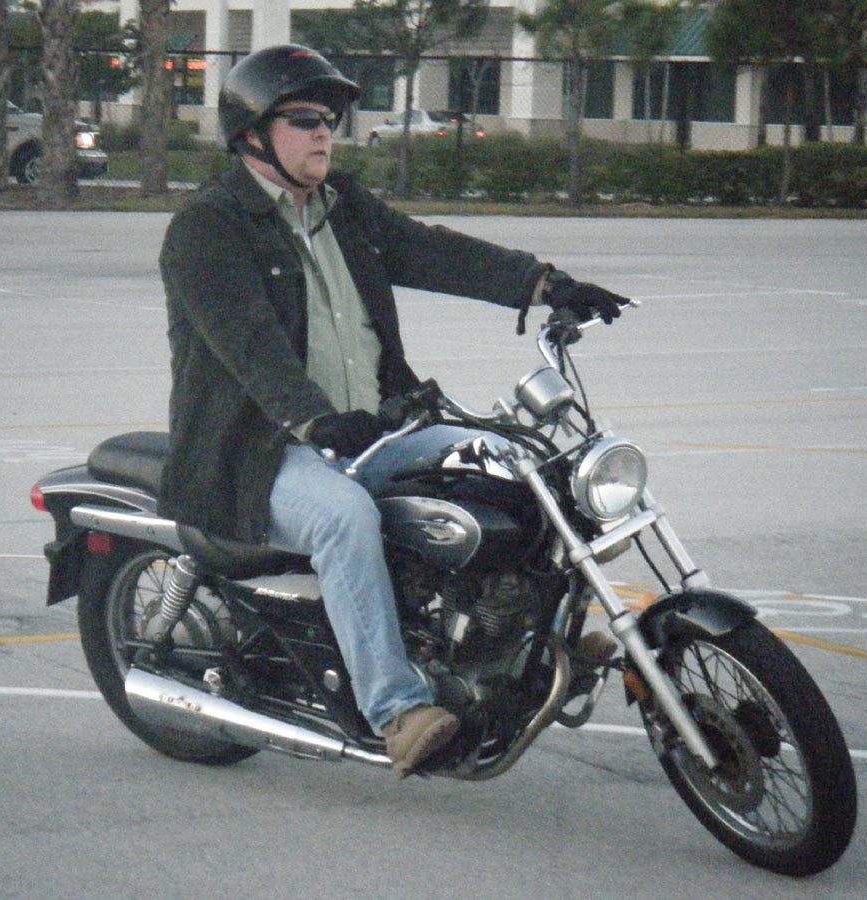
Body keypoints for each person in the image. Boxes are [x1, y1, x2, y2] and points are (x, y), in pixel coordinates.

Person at [157, 44, 629, 780]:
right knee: (345, 518)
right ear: (252, 134)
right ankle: (397, 711)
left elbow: (431, 251)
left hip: (372, 430)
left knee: (517, 466)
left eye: (331, 119)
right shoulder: (208, 227)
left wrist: (546, 285)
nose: (325, 132)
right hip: (261, 450)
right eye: (305, 119)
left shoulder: (340, 208)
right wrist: (314, 420)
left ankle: (530, 644)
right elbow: (249, 346)